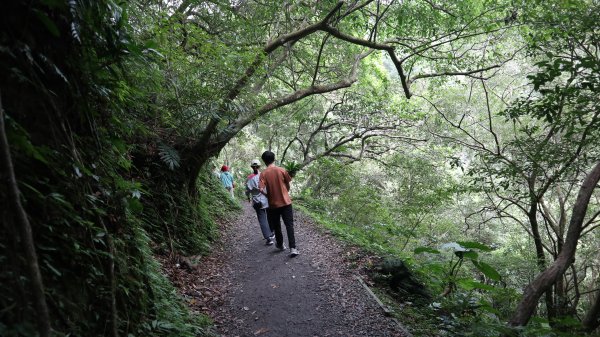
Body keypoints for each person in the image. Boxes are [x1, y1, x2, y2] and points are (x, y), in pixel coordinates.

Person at [259, 151, 299, 257]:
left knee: (277, 226)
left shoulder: (263, 173)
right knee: (289, 225)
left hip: (273, 205)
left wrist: (268, 196)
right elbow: (287, 184)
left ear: (264, 161)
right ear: (274, 159)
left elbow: (261, 189)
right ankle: (293, 248)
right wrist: (286, 192)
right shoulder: (281, 170)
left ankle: (281, 245)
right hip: (286, 202)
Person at [245, 159, 275, 245]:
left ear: (252, 167)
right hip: (266, 198)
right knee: (270, 216)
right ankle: (272, 232)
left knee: (262, 219)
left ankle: (269, 238)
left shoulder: (250, 178)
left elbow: (247, 190)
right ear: (259, 166)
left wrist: (248, 197)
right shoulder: (264, 174)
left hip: (257, 201)